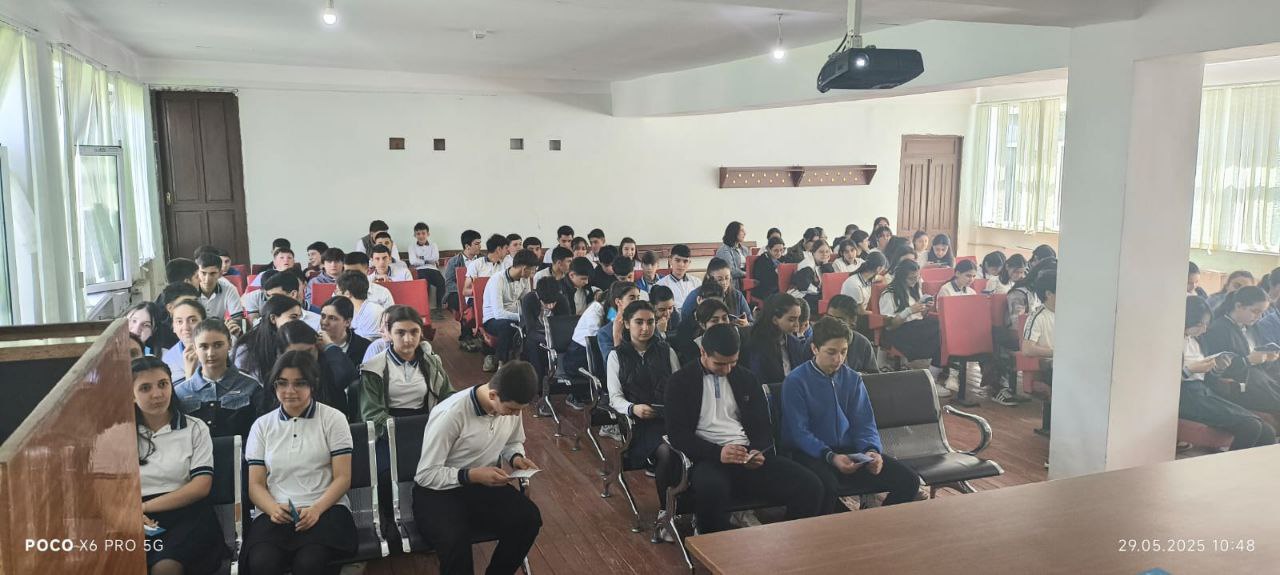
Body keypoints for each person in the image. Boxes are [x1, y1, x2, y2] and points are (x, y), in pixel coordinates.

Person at [664, 324, 823, 533]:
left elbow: (762, 425)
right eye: (720, 364)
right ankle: (712, 544)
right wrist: (718, 453)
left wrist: (758, 449)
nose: (727, 370)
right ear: (703, 352)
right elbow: (678, 435)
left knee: (810, 485)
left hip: (746, 454)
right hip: (707, 457)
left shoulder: (746, 378)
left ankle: (791, 538)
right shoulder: (680, 382)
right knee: (712, 490)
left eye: (733, 362)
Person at [413, 362, 542, 575]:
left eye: (519, 410)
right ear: (493, 395)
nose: (515, 415)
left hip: (482, 485)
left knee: (528, 519)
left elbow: (513, 441)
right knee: (456, 541)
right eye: (511, 409)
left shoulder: (511, 407)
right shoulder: (451, 413)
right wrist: (471, 475)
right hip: (438, 492)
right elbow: (426, 474)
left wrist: (516, 457)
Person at [782, 317, 921, 514]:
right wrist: (831, 456)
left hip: (850, 452)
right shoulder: (796, 381)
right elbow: (799, 432)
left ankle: (882, 527)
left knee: (909, 480)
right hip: (812, 454)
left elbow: (864, 423)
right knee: (826, 487)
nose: (838, 359)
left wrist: (871, 451)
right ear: (814, 349)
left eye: (843, 351)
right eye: (831, 352)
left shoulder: (852, 379)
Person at [243, 351, 356, 575]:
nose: (290, 391)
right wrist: (272, 508)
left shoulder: (333, 419)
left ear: (313, 385)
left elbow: (343, 478)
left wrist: (316, 509)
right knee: (262, 562)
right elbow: (255, 485)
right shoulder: (262, 426)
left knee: (310, 563)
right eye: (282, 383)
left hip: (326, 509)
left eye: (299, 383)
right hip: (277, 510)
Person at [132, 356, 228, 575]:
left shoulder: (194, 428)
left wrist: (143, 508)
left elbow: (200, 486)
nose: (157, 394)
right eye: (145, 388)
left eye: (163, 384)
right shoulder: (120, 434)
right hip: (136, 517)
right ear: (131, 394)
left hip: (188, 515)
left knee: (165, 568)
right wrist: (133, 513)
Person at [1181, 296, 1276, 450]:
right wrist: (1189, 370)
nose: (1204, 330)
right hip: (1185, 396)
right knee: (1251, 426)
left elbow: (1208, 378)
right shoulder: (1172, 342)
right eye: (1199, 325)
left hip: (1204, 391)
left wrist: (1217, 367)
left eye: (1206, 325)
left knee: (1267, 432)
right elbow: (1163, 380)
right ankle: (1229, 465)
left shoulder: (1198, 340)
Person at [606, 301, 680, 470]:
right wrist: (633, 408)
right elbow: (615, 397)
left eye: (650, 322)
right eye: (639, 322)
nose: (645, 328)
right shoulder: (616, 356)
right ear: (627, 324)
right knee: (667, 452)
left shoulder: (667, 351)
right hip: (638, 423)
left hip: (670, 418)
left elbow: (679, 388)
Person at [359, 306, 454, 436]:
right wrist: (405, 429)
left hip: (427, 424)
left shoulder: (431, 363)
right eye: (400, 333)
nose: (408, 339)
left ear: (421, 333)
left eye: (414, 332)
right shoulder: (373, 368)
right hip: (389, 431)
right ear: (389, 334)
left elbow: (448, 395)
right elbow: (371, 414)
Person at [174, 319, 263, 439]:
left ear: (230, 344)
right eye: (204, 346)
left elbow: (261, 434)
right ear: (195, 348)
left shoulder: (251, 387)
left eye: (218, 345)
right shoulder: (180, 392)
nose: (211, 353)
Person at [1199, 285, 1280, 415]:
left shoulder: (1252, 327)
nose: (1259, 317)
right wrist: (1248, 360)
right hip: (1239, 386)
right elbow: (1216, 369)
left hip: (1259, 380)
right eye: (1255, 311)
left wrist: (1267, 358)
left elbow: (1258, 362)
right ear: (1238, 306)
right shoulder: (1218, 329)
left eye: (1262, 313)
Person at [880, 260, 948, 397]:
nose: (915, 281)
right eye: (911, 278)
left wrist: (925, 309)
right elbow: (889, 325)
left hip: (915, 326)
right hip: (899, 331)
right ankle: (932, 379)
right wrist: (909, 310)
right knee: (940, 332)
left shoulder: (914, 288)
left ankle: (933, 377)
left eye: (917, 277)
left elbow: (919, 316)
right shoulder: (889, 293)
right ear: (901, 277)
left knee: (944, 328)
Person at [482, 249, 539, 372]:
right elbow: (498, 313)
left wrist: (530, 315)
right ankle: (501, 364)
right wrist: (522, 317)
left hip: (514, 316)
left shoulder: (524, 279)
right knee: (506, 326)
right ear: (524, 269)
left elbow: (527, 302)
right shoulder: (497, 280)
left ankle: (527, 362)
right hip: (492, 319)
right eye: (532, 270)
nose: (533, 273)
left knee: (532, 326)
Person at [232, 295, 303, 384]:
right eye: (293, 317)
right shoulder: (247, 348)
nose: (299, 322)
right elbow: (239, 383)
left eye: (300, 318)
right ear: (273, 318)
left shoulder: (297, 343)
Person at [744, 294, 812, 383]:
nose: (797, 325)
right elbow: (759, 382)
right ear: (775, 320)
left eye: (798, 319)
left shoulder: (795, 343)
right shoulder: (757, 345)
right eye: (791, 320)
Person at [579, 282, 643, 374]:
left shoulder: (646, 324)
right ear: (618, 302)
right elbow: (614, 366)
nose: (637, 302)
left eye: (638, 298)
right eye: (632, 298)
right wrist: (617, 336)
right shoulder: (605, 332)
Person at [521, 277, 572, 386]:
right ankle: (538, 383)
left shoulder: (561, 299)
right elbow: (530, 329)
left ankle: (563, 379)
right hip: (534, 334)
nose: (550, 306)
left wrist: (553, 339)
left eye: (553, 303)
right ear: (538, 296)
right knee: (533, 345)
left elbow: (565, 325)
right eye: (546, 303)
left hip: (555, 334)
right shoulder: (528, 300)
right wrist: (547, 340)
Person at [679, 258, 752, 324]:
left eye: (727, 278)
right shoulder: (696, 296)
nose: (724, 283)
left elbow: (751, 322)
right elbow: (686, 324)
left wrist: (746, 324)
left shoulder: (737, 295)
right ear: (709, 277)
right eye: (719, 279)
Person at [822, 295, 880, 373]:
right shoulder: (816, 339)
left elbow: (874, 376)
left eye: (839, 320)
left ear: (853, 320)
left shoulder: (862, 344)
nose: (833, 324)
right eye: (830, 318)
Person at [838, 252, 887, 336]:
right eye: (883, 268)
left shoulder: (869, 277)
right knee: (883, 323)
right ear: (879, 269)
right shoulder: (854, 285)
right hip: (850, 319)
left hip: (860, 315)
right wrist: (877, 314)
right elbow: (860, 311)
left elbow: (881, 278)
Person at [672, 298, 732, 365]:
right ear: (702, 325)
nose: (721, 323)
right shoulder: (695, 347)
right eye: (714, 321)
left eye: (724, 318)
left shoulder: (737, 338)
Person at [320, 295, 371, 369]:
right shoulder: (312, 345)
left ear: (347, 322)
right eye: (323, 316)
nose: (325, 322)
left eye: (332, 318)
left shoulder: (365, 347)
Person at [162, 299, 207, 382]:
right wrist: (190, 373)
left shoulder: (220, 347)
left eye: (192, 320)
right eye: (179, 321)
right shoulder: (169, 359)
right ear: (173, 327)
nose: (186, 327)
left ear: (204, 323)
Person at [194, 252, 245, 322]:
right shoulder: (190, 290)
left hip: (219, 327)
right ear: (197, 273)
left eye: (213, 273)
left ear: (220, 274)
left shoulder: (229, 289)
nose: (207, 279)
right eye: (203, 273)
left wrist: (233, 325)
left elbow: (238, 319)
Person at [335, 270, 386, 340]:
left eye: (338, 291)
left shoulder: (373, 311)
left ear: (347, 293)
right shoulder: (348, 311)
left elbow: (367, 343)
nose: (336, 294)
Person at [789, 241, 832, 312]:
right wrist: (820, 291)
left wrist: (826, 265)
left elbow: (830, 283)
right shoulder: (807, 265)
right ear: (813, 252)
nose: (825, 254)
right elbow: (804, 287)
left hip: (812, 294)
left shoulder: (821, 263)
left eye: (827, 251)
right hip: (800, 295)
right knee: (824, 301)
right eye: (821, 252)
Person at [465, 234, 509, 299]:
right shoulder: (476, 264)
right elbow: (465, 291)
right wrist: (482, 291)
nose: (508, 252)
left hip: (498, 298)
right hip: (477, 299)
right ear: (499, 249)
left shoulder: (506, 265)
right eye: (506, 248)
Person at [656, 244, 699, 309]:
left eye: (685, 261)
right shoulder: (661, 285)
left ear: (689, 262)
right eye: (677, 260)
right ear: (670, 261)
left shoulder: (697, 283)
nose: (681, 264)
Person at [408, 223, 443, 297]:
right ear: (414, 235)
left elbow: (435, 257)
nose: (421, 236)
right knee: (424, 284)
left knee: (442, 282)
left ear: (428, 234)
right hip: (419, 270)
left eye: (423, 233)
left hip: (433, 269)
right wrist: (428, 261)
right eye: (418, 234)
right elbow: (413, 261)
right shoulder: (411, 246)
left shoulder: (433, 245)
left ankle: (440, 304)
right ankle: (424, 303)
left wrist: (419, 259)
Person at [716, 221, 750, 290]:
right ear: (734, 232)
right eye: (742, 230)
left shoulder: (745, 249)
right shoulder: (724, 250)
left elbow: (750, 265)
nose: (745, 233)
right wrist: (747, 274)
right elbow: (730, 271)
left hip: (746, 280)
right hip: (733, 284)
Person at [751, 237, 787, 302]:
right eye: (776, 250)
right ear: (769, 249)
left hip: (780, 288)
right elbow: (763, 280)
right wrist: (776, 272)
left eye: (781, 250)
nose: (779, 253)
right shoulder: (761, 260)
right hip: (766, 290)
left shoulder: (783, 259)